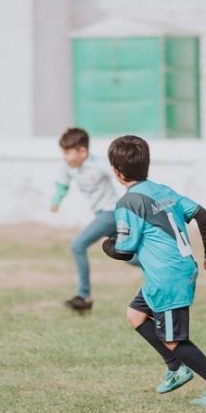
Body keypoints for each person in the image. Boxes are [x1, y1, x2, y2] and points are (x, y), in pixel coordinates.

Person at [102, 135, 206, 407]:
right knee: (136, 315)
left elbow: (125, 250)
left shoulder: (128, 203)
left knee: (174, 339)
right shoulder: (163, 190)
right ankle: (176, 368)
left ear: (117, 172)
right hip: (171, 272)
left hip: (168, 277)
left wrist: (107, 244)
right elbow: (199, 212)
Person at [51, 127, 124, 312]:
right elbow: (62, 184)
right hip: (100, 214)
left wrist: (135, 198)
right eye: (63, 152)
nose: (65, 157)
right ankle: (164, 270)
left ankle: (83, 296)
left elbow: (122, 177)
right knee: (129, 255)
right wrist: (56, 201)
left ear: (83, 152)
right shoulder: (68, 167)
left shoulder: (100, 164)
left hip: (111, 212)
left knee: (77, 246)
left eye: (68, 152)